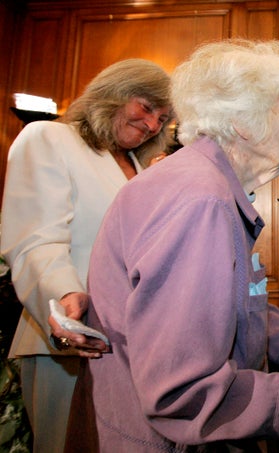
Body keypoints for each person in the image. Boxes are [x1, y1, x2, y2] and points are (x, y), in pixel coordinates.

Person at [72, 39, 279, 452]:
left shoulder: (209, 185)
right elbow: (182, 393)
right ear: (243, 122)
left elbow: (234, 303)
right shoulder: (199, 199)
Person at [0, 58, 173, 453]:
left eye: (162, 120)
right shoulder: (46, 137)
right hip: (69, 340)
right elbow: (35, 240)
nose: (151, 125)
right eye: (146, 108)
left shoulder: (138, 165)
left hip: (134, 346)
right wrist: (64, 296)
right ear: (113, 92)